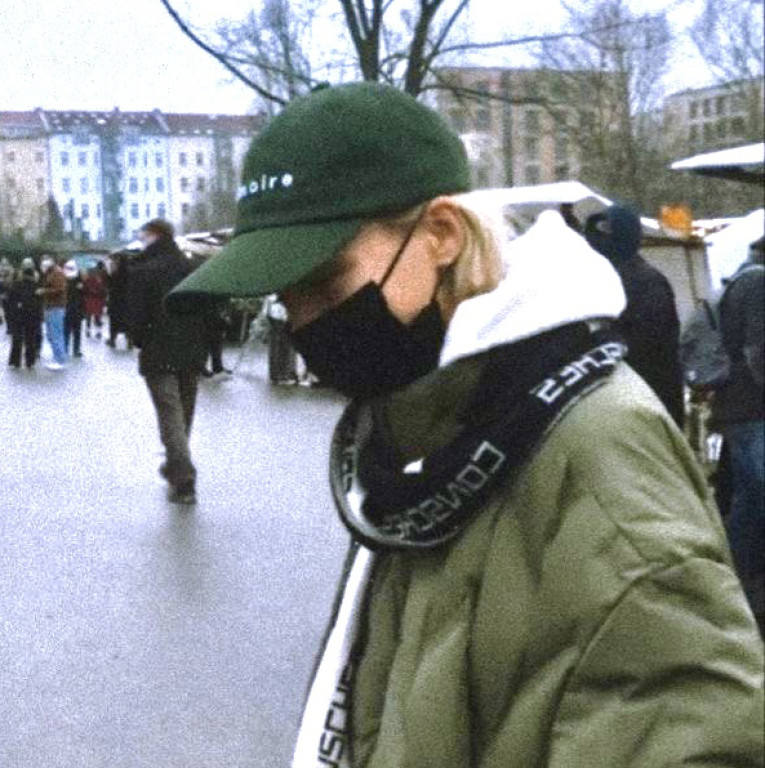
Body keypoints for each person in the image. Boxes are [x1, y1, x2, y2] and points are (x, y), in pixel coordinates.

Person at [167, 83, 764, 767]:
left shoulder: (596, 451)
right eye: (285, 296)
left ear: (443, 235)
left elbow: (689, 733)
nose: (303, 323)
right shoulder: (427, 428)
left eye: (326, 283)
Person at [127, 219, 208, 505]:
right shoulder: (192, 268)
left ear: (155, 235)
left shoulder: (142, 271)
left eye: (143, 235)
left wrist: (141, 340)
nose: (141, 240)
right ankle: (176, 465)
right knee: (184, 412)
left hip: (159, 350)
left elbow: (134, 316)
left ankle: (183, 477)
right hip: (191, 350)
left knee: (170, 413)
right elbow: (207, 310)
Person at [585, 205, 685, 427]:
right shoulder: (607, 278)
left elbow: (648, 344)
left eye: (607, 230)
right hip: (622, 396)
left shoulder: (646, 281)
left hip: (649, 394)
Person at [709, 235, 764, 633]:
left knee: (748, 498)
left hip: (736, 407)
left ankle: (732, 580)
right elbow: (757, 349)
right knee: (755, 494)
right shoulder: (759, 282)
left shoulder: (737, 281)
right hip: (752, 407)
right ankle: (735, 583)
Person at [6, 260, 41, 370]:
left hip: (18, 315)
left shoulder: (16, 285)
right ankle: (30, 362)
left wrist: (10, 315)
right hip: (32, 316)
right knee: (30, 339)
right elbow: (39, 303)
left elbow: (9, 300)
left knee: (17, 338)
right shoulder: (36, 285)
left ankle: (15, 361)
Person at [36, 255, 68, 370]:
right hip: (52, 307)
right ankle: (57, 357)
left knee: (56, 334)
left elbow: (60, 289)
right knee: (52, 334)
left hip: (56, 307)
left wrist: (44, 291)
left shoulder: (57, 273)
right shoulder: (51, 272)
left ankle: (60, 360)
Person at [106, 252, 133, 349]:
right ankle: (130, 340)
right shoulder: (131, 273)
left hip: (116, 302)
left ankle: (112, 340)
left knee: (114, 322)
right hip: (127, 302)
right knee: (128, 322)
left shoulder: (115, 273)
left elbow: (110, 285)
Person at [63, 259, 84, 358]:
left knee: (68, 330)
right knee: (75, 331)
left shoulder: (65, 279)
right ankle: (75, 349)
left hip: (70, 308)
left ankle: (67, 349)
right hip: (75, 308)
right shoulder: (78, 280)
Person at [82, 262, 107, 338]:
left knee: (89, 317)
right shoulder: (100, 279)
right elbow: (103, 290)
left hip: (90, 299)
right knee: (97, 317)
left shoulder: (87, 279)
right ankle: (98, 332)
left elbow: (84, 289)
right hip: (97, 300)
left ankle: (88, 331)